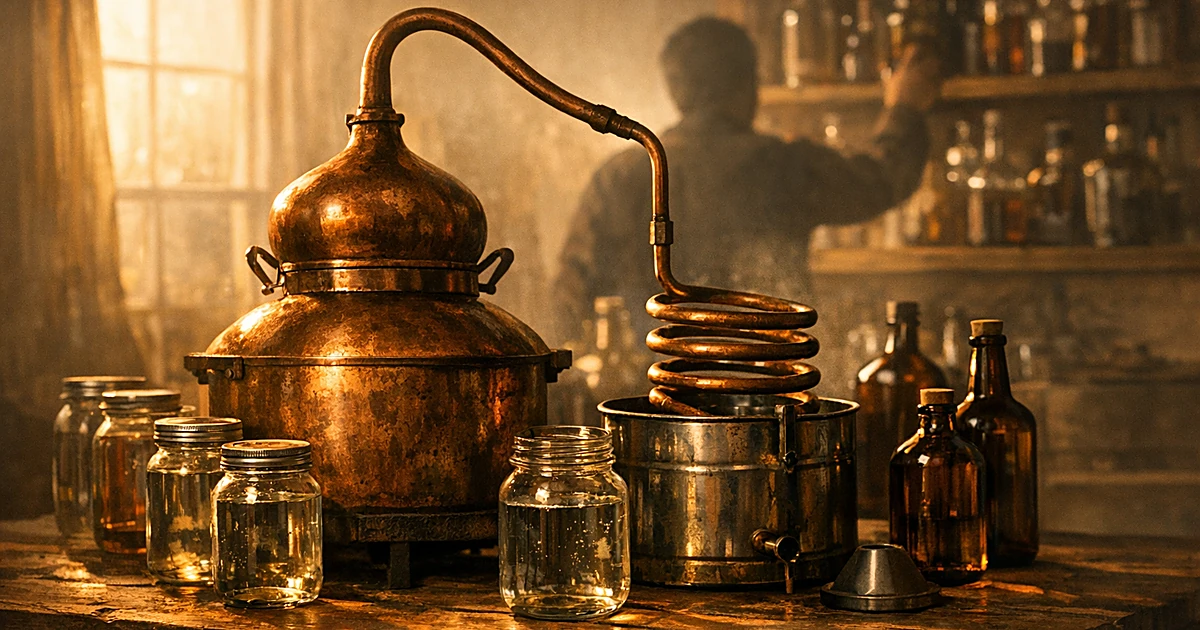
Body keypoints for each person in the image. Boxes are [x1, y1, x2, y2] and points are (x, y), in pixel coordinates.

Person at [552, 17, 941, 344]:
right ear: (747, 85)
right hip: (765, 390)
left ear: (675, 90)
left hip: (650, 395)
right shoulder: (781, 165)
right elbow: (878, 180)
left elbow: (568, 297)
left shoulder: (619, 176)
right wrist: (904, 107)